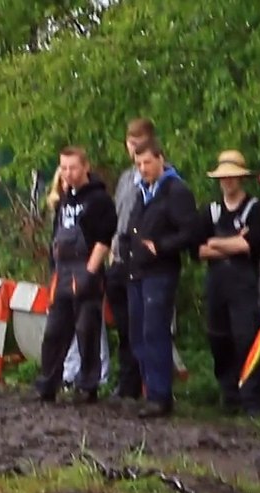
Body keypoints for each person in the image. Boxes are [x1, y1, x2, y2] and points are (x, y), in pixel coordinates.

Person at [34, 147, 117, 403]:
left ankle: (88, 386)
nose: (68, 173)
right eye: (64, 168)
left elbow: (104, 240)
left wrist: (90, 273)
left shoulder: (99, 200)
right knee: (55, 332)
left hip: (86, 268)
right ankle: (47, 385)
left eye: (73, 168)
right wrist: (54, 270)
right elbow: (56, 236)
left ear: (85, 167)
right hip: (63, 271)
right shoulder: (64, 199)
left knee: (87, 330)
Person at [125, 139, 200, 418]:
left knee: (154, 331)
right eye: (139, 164)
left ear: (161, 159)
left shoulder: (176, 191)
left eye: (147, 162)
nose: (143, 168)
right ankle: (149, 390)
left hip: (160, 271)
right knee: (137, 333)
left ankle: (160, 395)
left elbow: (190, 232)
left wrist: (161, 246)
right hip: (136, 269)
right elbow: (133, 226)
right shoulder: (143, 191)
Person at [196, 150, 260, 415]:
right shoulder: (210, 210)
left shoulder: (255, 209)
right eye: (223, 177)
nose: (228, 181)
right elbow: (198, 249)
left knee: (246, 338)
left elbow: (249, 245)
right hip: (216, 283)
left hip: (244, 283)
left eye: (232, 176)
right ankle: (229, 395)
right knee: (218, 337)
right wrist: (228, 243)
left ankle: (253, 399)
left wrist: (215, 242)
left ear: (241, 178)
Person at [107, 119, 153, 400]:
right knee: (123, 324)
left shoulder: (158, 176)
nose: (133, 146)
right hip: (118, 254)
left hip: (142, 257)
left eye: (139, 140)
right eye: (130, 141)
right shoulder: (126, 178)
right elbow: (117, 215)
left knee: (141, 323)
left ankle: (146, 383)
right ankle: (127, 381)